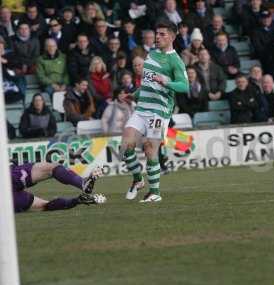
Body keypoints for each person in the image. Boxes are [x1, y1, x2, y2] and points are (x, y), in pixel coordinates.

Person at [121, 20, 189, 203]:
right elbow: (147, 84)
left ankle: (155, 192)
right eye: (156, 34)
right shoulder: (151, 54)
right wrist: (132, 95)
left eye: (162, 34)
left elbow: (184, 86)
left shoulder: (176, 61)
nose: (157, 37)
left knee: (150, 147)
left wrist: (167, 82)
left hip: (159, 112)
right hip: (142, 108)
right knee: (125, 146)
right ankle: (137, 180)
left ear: (172, 37)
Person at [10, 161, 105, 213]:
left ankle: (79, 200)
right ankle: (83, 184)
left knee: (45, 206)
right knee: (52, 168)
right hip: (8, 176)